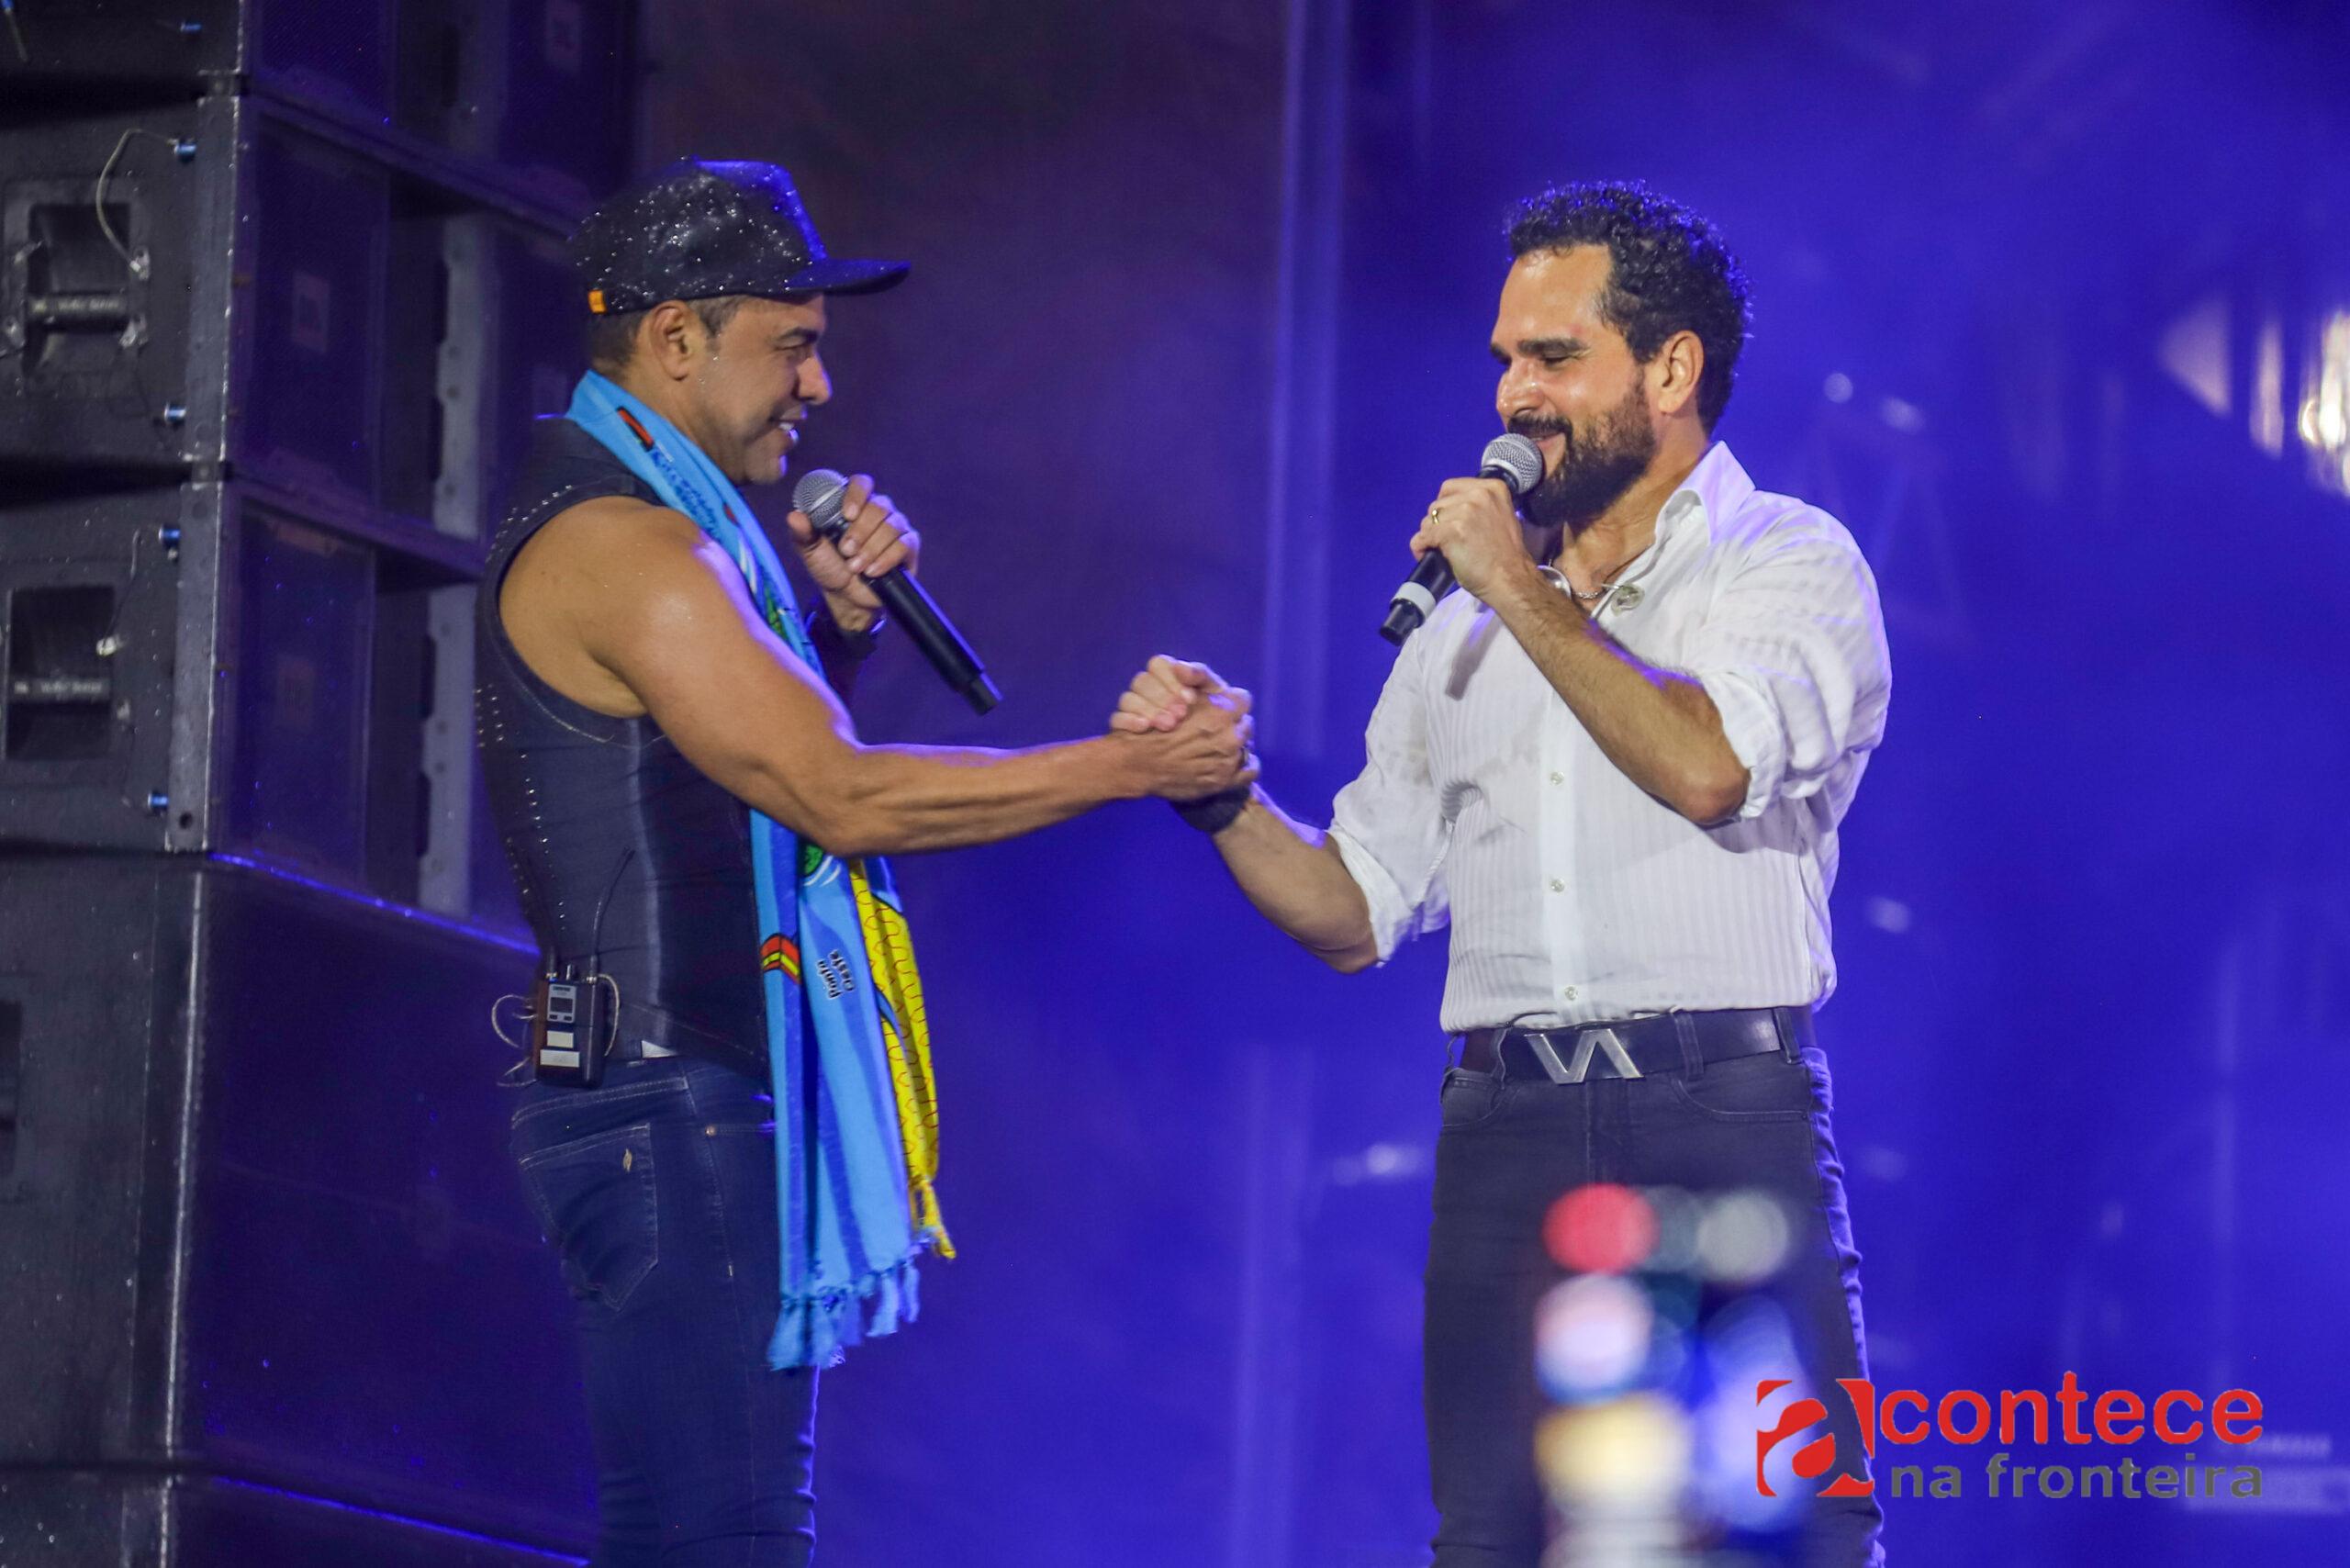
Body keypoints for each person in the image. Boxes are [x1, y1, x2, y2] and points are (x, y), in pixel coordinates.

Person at [476, 159, 1252, 1567]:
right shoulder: (632, 547)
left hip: (664, 1095)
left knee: (702, 1537)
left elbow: (729, 783)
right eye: (793, 345)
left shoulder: (662, 532)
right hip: (671, 1102)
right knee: (723, 1539)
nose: (818, 387)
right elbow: (837, 796)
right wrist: (1133, 766)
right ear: (676, 339)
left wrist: (836, 630)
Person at [1115, 182, 1891, 1565]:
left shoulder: (1788, 560)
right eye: (1504, 358)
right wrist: (1216, 794)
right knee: (1493, 1539)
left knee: (1776, 1541)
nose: (1511, 396)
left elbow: (1708, 768)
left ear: (1671, 369)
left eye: (1554, 357)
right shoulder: (1459, 632)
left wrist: (1519, 594)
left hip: (1720, 1116)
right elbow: (1353, 910)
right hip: (1507, 1130)